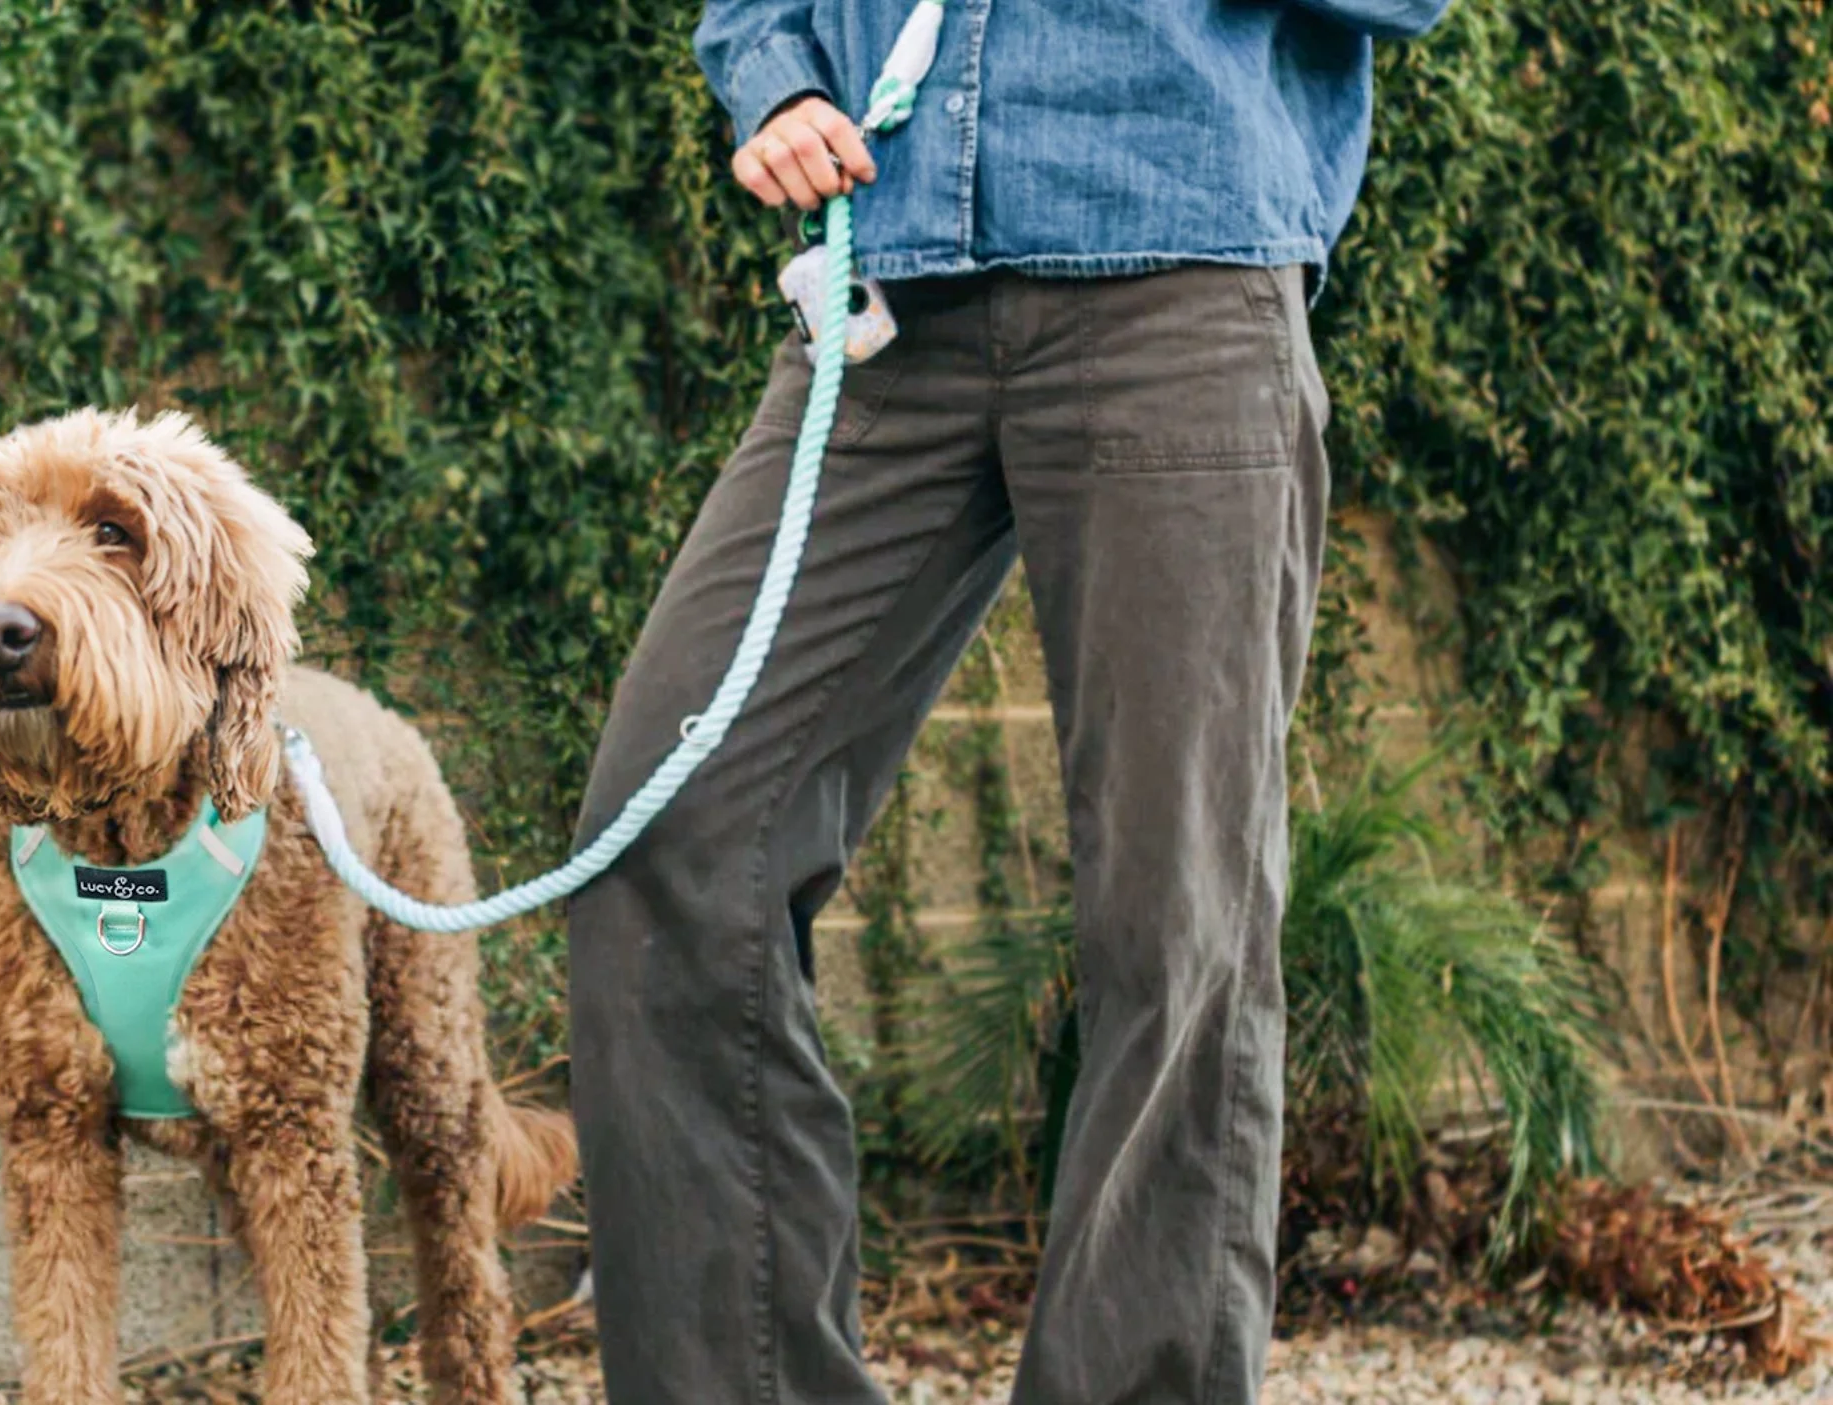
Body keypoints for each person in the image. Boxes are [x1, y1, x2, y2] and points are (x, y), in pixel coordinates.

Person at [565, 2, 1453, 1402]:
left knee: (1177, 921)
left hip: (1180, 273)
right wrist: (779, 83)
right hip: (890, 285)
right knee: (666, 831)